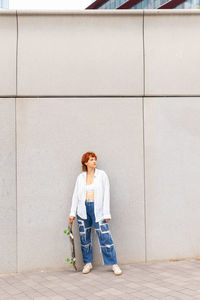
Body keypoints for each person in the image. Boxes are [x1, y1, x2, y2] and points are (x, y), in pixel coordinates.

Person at [69, 152, 122, 275]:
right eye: (91, 160)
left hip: (98, 209)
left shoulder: (102, 175)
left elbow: (106, 194)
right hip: (83, 209)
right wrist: (72, 213)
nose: (94, 162)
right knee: (84, 237)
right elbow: (75, 196)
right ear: (85, 162)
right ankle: (88, 263)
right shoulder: (80, 177)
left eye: (95, 159)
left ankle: (114, 264)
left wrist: (106, 213)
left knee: (105, 236)